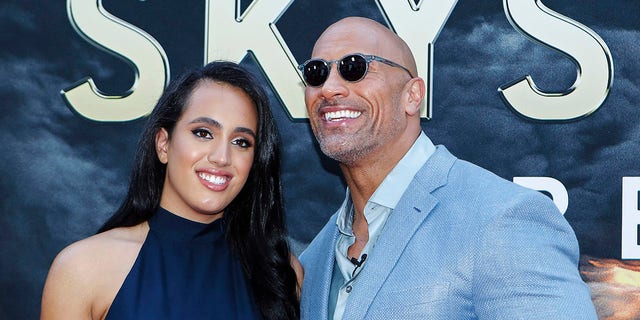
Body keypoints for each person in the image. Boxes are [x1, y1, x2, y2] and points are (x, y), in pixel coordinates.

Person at [298, 16, 597, 319]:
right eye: (316, 73)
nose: (329, 88)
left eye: (354, 67)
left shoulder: (503, 219)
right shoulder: (314, 259)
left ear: (412, 96)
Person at [41, 61, 302, 320]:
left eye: (241, 142)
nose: (222, 157)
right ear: (163, 144)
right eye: (203, 133)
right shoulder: (83, 269)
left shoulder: (281, 273)